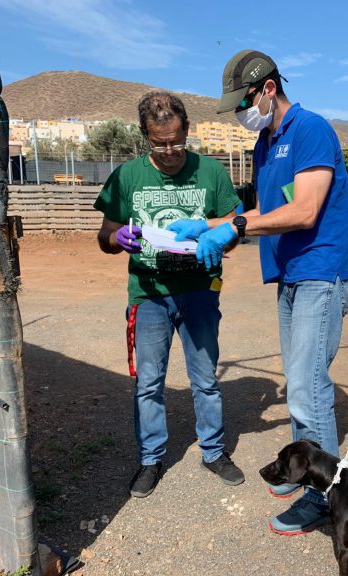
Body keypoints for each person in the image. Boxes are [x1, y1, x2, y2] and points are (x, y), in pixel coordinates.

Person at [169, 50, 348, 535]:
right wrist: (206, 227)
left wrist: (230, 227)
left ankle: (324, 495)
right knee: (299, 382)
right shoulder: (265, 141)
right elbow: (257, 211)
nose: (239, 112)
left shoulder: (310, 129)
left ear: (268, 89)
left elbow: (304, 211)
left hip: (322, 270)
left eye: (243, 101)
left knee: (307, 385)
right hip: (290, 273)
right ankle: (303, 468)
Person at [94, 90, 245, 499]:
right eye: (160, 144)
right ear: (145, 136)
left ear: (188, 131)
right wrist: (116, 237)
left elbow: (237, 223)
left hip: (199, 291)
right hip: (148, 294)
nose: (170, 151)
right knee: (149, 383)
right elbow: (104, 234)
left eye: (177, 141)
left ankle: (214, 452)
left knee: (205, 379)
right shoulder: (127, 176)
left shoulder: (211, 172)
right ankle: (150, 459)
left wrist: (222, 237)